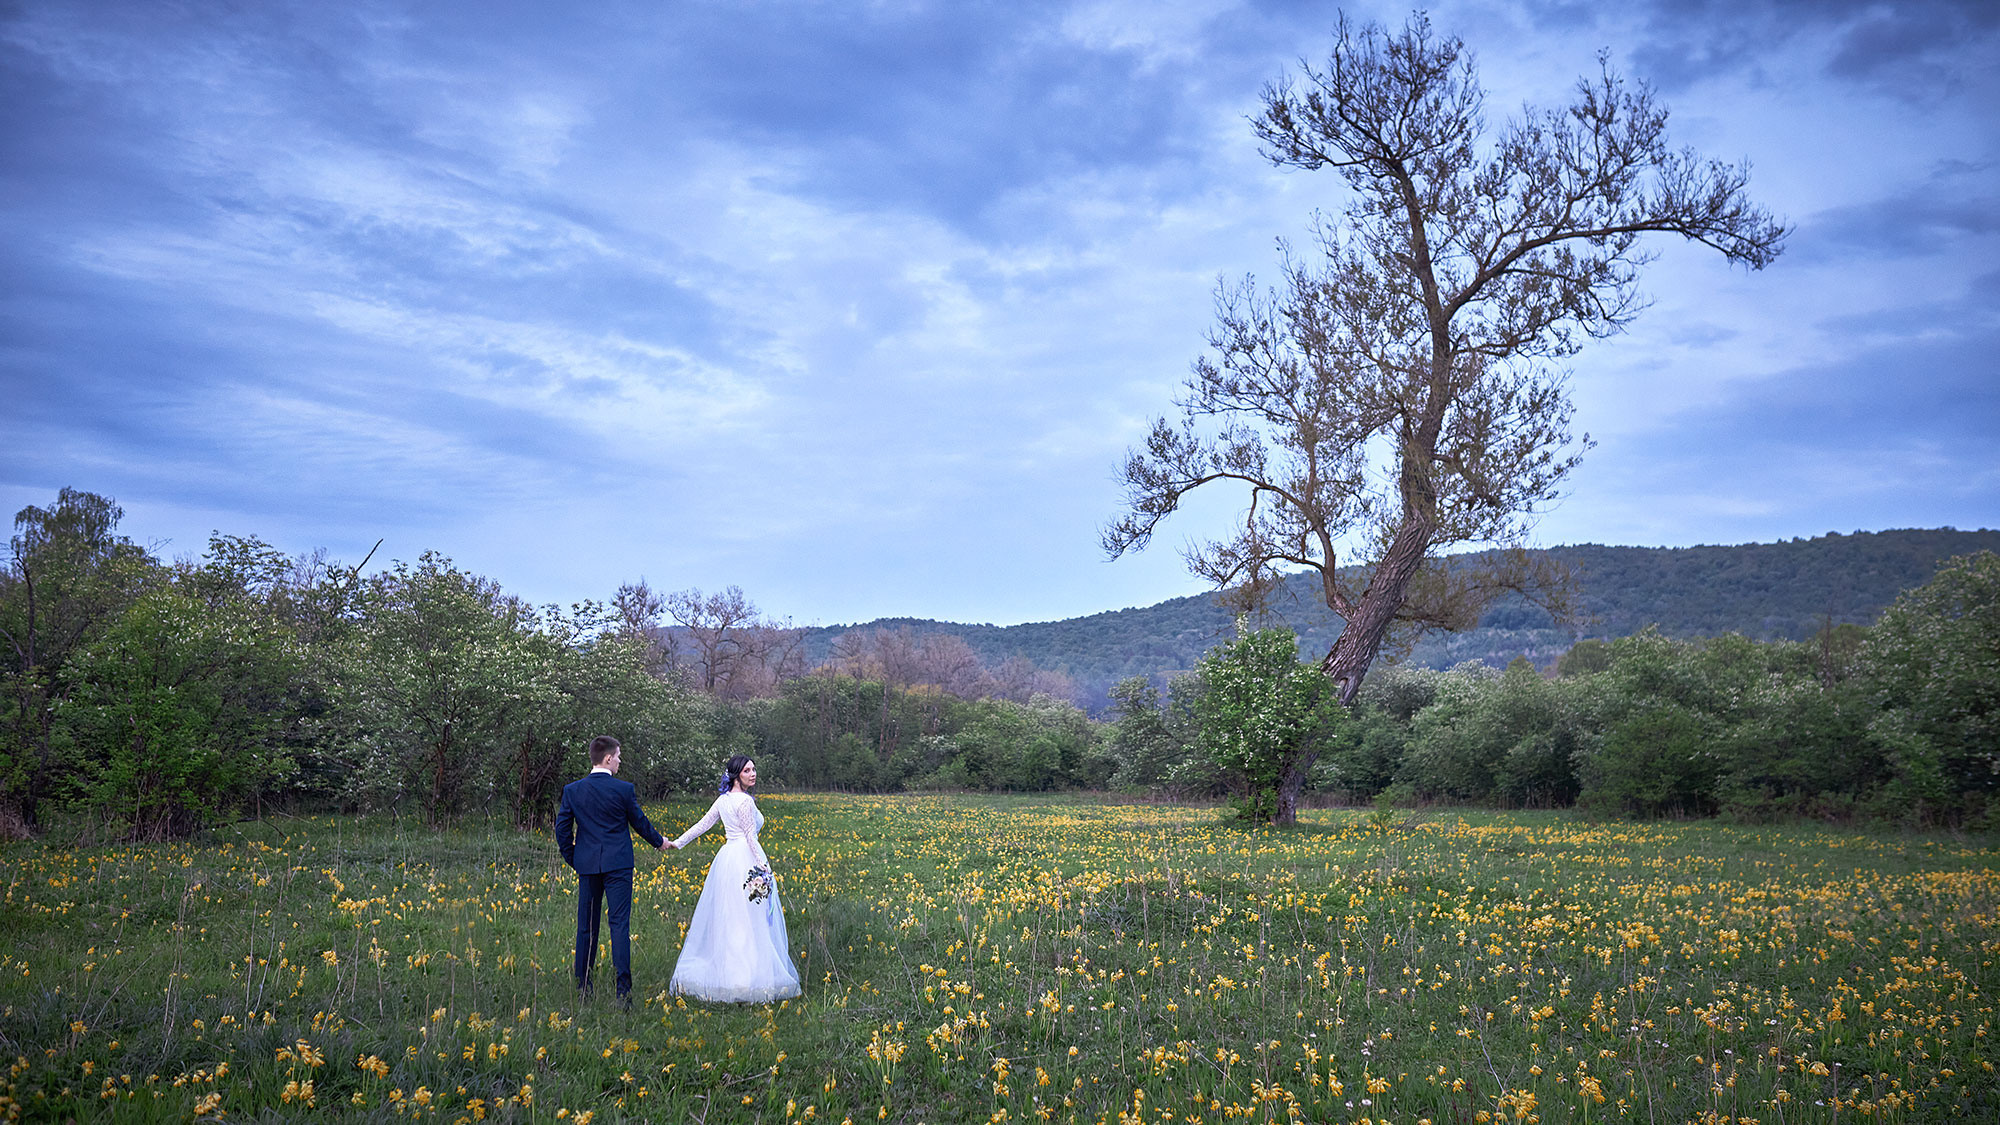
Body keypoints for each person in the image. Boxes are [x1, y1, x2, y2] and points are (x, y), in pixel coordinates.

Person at [664, 755, 801, 1002]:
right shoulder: (744, 803)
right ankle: (746, 978)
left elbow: (702, 825)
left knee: (732, 917)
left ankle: (731, 973)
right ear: (736, 774)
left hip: (727, 861)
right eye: (747, 770)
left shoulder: (723, 800)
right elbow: (750, 837)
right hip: (746, 860)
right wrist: (764, 868)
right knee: (749, 919)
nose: (753, 774)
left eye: (754, 769)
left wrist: (678, 842)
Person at [554, 735, 664, 1008]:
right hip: (619, 865)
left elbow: (562, 830)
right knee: (619, 926)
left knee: (586, 928)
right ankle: (623, 994)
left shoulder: (573, 790)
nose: (619, 761)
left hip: (588, 866)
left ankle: (583, 989)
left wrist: (575, 858)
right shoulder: (623, 790)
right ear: (607, 758)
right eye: (618, 756)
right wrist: (660, 842)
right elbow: (639, 822)